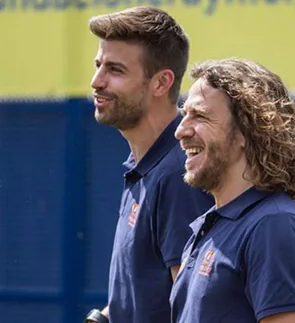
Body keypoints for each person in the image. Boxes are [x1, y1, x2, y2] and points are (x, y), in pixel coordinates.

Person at [83, 6, 214, 323]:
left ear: (161, 83)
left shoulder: (179, 173)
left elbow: (194, 308)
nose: (96, 82)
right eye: (99, 66)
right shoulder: (146, 165)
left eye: (115, 70)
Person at [170, 58, 295, 323]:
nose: (181, 131)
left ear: (246, 130)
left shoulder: (274, 225)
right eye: (184, 114)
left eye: (199, 115)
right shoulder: (209, 228)